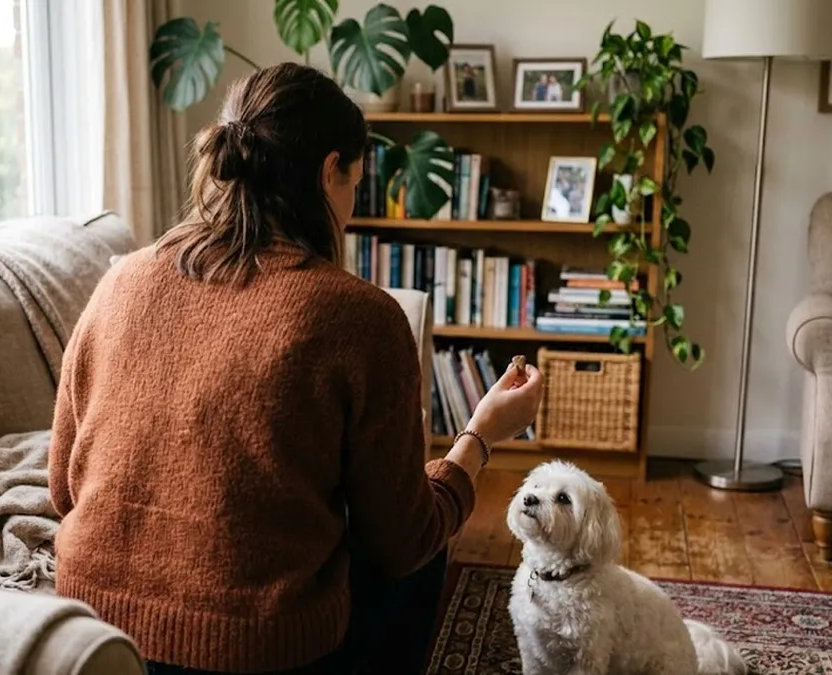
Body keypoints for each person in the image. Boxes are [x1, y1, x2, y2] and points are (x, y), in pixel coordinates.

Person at [48, 62, 545, 675]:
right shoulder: (359, 316)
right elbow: (401, 540)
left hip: (86, 631)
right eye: (355, 184)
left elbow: (62, 491)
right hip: (253, 651)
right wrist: (477, 439)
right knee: (423, 538)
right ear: (327, 171)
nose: (352, 211)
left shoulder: (120, 279)